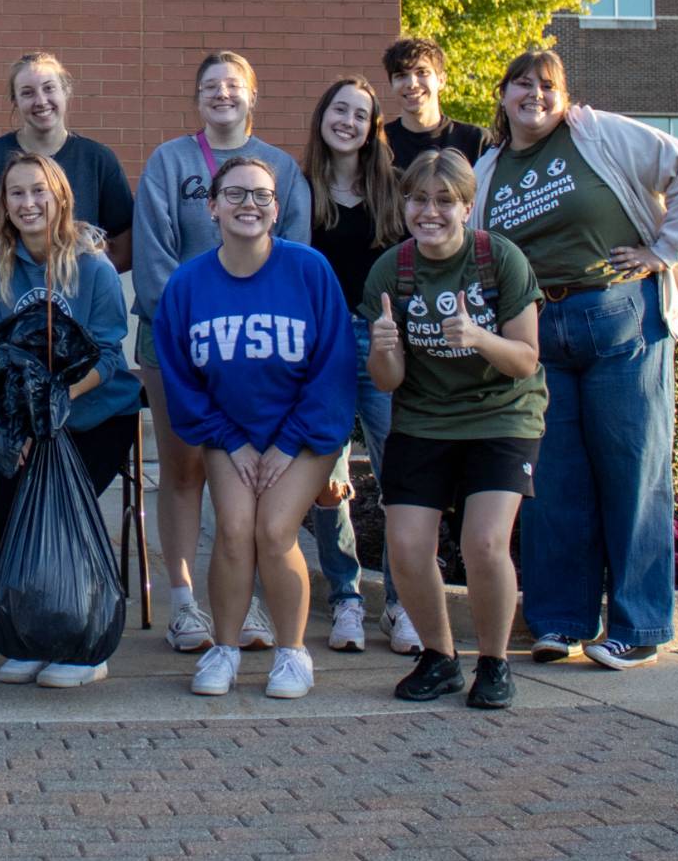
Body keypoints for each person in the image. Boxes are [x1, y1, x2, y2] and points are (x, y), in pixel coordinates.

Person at [473, 50, 678, 670]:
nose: (535, 94)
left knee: (633, 471)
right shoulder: (488, 170)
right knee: (550, 481)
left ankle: (638, 628)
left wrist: (664, 250)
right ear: (502, 95)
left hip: (621, 319)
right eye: (522, 84)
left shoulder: (599, 134)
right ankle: (559, 621)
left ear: (564, 96)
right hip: (536, 335)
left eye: (547, 85)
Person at [152, 155, 356, 699]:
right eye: (236, 194)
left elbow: (333, 369)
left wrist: (288, 443)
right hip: (230, 432)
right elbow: (182, 380)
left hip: (304, 434)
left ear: (277, 208)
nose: (250, 204)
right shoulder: (187, 285)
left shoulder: (309, 270)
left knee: (274, 530)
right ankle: (225, 649)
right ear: (212, 207)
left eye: (262, 195)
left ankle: (292, 654)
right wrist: (232, 441)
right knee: (235, 528)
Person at [134, 52, 311, 657]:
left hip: (258, 346)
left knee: (253, 474)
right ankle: (184, 601)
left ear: (253, 96)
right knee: (184, 470)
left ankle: (246, 596)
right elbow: (154, 257)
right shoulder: (169, 161)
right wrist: (190, 328)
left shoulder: (282, 168)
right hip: (175, 342)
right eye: (209, 85)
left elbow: (295, 257)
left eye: (233, 85)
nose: (222, 94)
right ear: (197, 97)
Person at [364, 151, 547, 710]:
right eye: (418, 199)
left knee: (484, 542)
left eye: (445, 201)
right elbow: (388, 381)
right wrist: (384, 349)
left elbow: (526, 359)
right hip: (424, 418)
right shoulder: (391, 270)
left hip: (501, 414)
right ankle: (439, 658)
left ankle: (493, 662)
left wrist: (479, 337)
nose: (430, 212)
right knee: (406, 544)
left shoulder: (499, 258)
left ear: (467, 207)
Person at [0, 153, 139, 689]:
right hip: (25, 416)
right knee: (7, 516)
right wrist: (22, 424)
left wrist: (58, 399)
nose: (28, 203)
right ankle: (32, 635)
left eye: (38, 191)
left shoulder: (93, 267)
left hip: (94, 414)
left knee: (63, 514)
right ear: (3, 204)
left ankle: (85, 645)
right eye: (16, 193)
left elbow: (108, 355)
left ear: (61, 197)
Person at [300, 77, 414, 655]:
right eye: (338, 109)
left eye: (360, 114)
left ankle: (401, 602)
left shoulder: (395, 188)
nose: (347, 121)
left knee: (401, 476)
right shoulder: (300, 190)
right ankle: (345, 598)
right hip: (322, 345)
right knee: (328, 479)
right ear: (323, 116)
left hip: (382, 339)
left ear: (373, 128)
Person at [0, 52, 135, 270]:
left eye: (49, 88)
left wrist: (83, 279)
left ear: (66, 90)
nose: (40, 101)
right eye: (27, 93)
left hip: (73, 289)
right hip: (1, 289)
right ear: (15, 101)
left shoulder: (98, 160)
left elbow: (124, 248)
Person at [383, 38, 486, 172]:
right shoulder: (379, 144)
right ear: (391, 85)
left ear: (441, 80)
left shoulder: (476, 141)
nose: (412, 84)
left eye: (422, 72)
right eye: (401, 75)